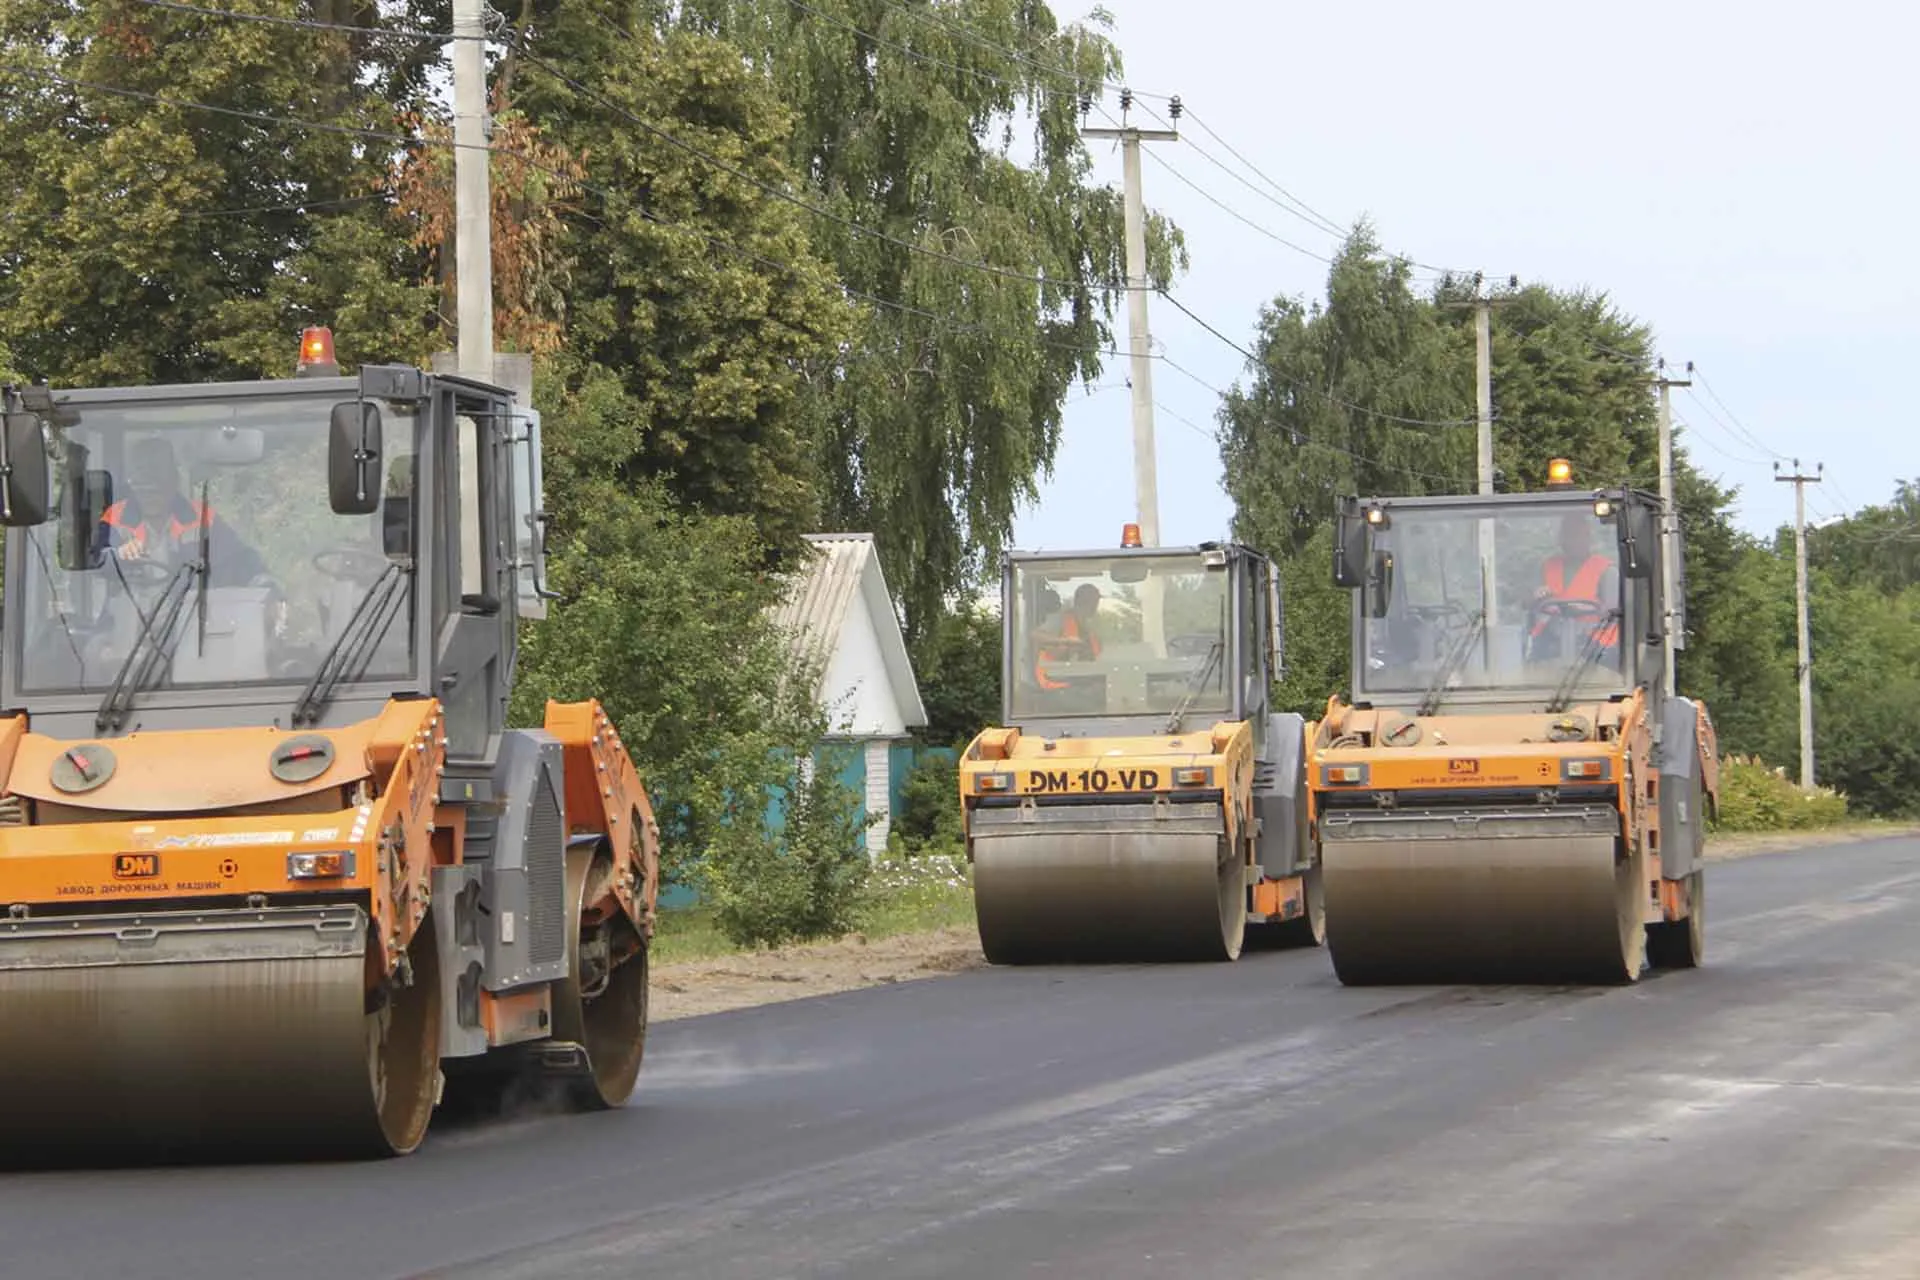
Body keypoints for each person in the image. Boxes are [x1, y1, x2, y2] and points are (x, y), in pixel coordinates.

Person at [102, 435, 268, 587]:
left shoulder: (201, 519)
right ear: (133, 487)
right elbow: (92, 562)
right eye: (143, 486)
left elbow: (239, 559)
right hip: (127, 615)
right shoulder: (115, 519)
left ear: (174, 481)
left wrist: (265, 585)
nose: (150, 494)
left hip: (189, 614)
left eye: (158, 483)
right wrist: (119, 555)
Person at [1530, 513, 1619, 657]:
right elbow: (1529, 604)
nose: (1573, 540)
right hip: (1550, 644)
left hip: (1596, 650)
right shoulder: (1548, 566)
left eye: (1578, 535)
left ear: (1588, 538)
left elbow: (1612, 613)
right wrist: (1537, 596)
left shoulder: (1607, 571)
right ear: (1561, 539)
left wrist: (1584, 608)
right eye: (1569, 535)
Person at [1034, 583, 1102, 690]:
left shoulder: (1087, 628)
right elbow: (1035, 635)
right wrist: (1065, 641)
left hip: (1077, 679)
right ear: (1083, 601)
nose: (1096, 605)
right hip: (1054, 680)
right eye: (1093, 601)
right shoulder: (1060, 619)